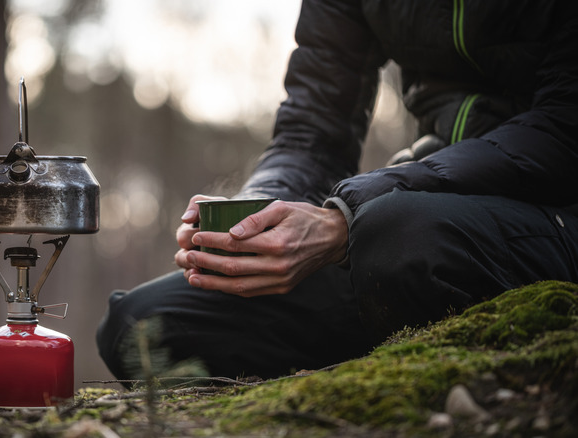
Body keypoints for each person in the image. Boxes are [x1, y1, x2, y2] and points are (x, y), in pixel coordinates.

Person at [97, 0, 578, 380]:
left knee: (400, 236)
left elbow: (562, 130)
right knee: (139, 326)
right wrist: (257, 219)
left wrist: (346, 215)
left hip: (549, 220)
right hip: (411, 226)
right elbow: (311, 134)